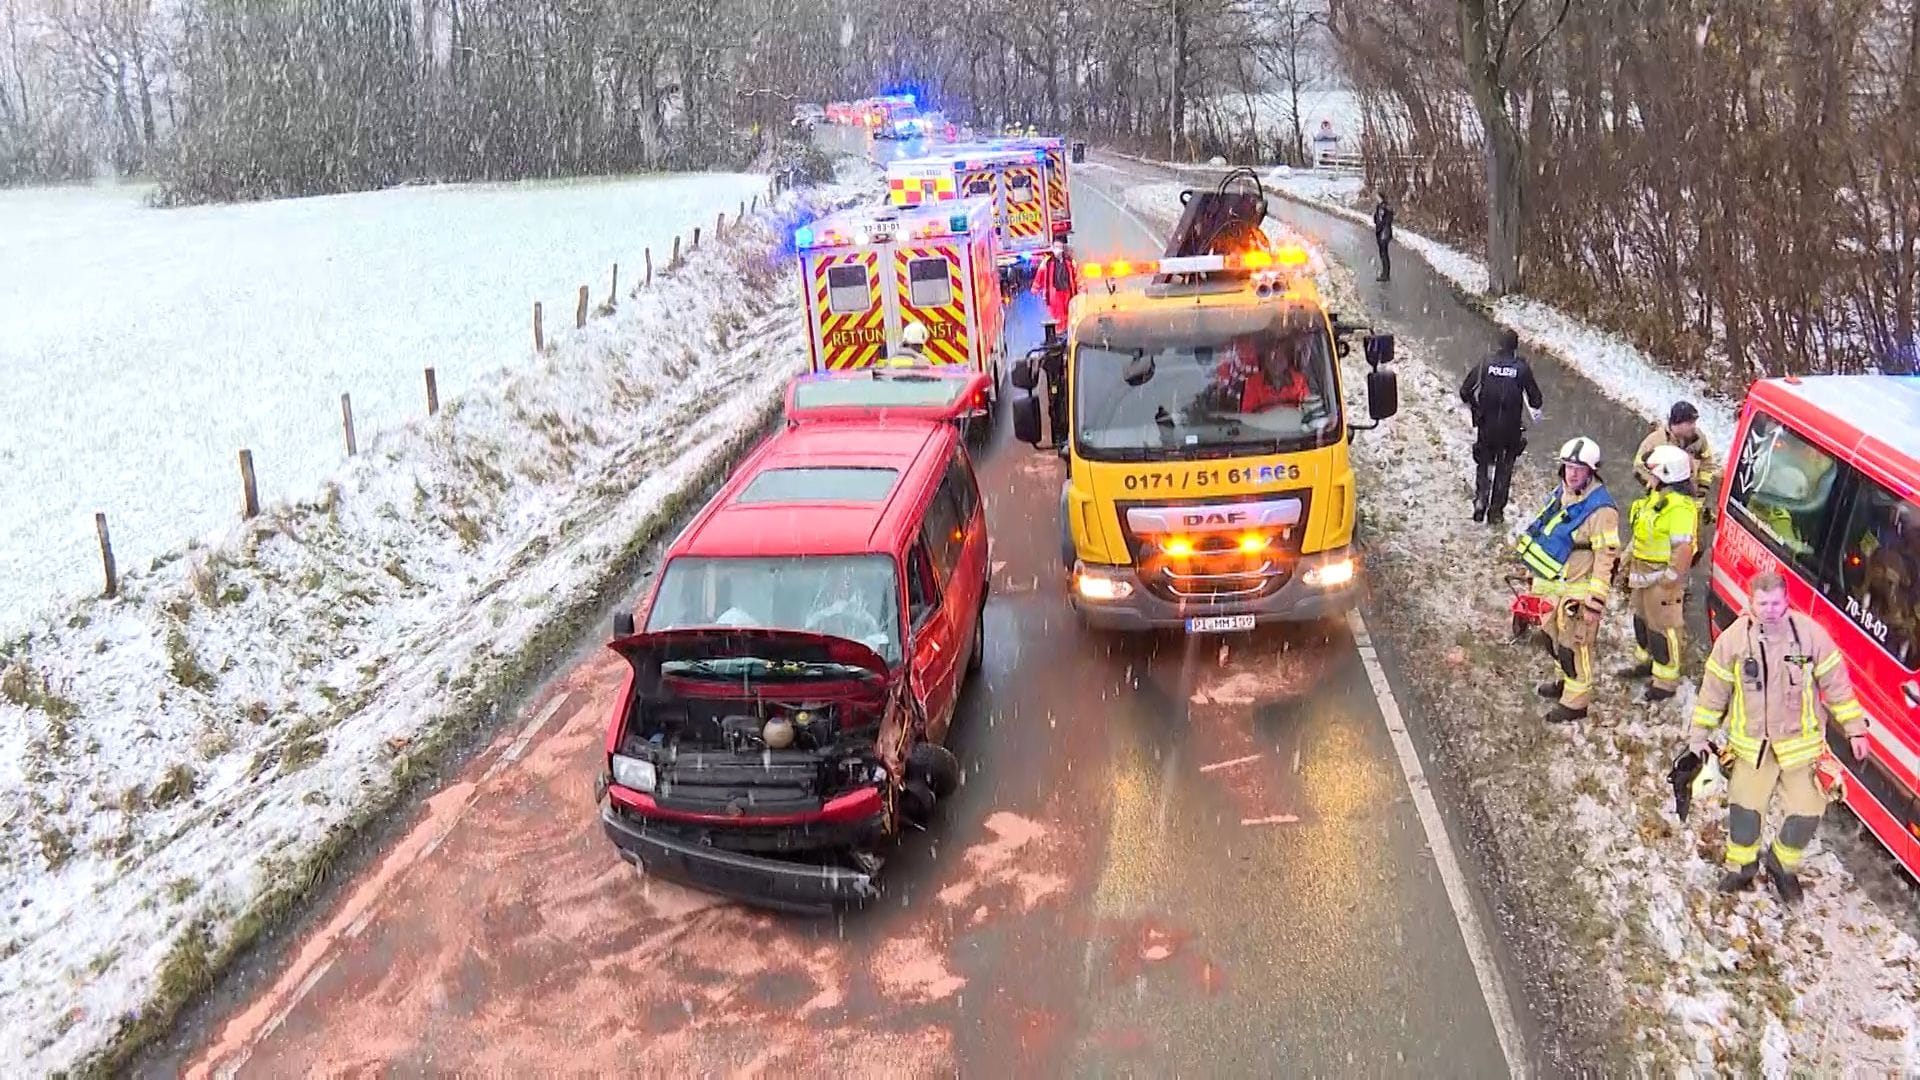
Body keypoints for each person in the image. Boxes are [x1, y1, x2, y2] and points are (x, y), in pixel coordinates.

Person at [1690, 572, 1870, 902]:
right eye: (1763, 603)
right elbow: (1714, 690)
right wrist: (1699, 734)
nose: (1770, 610)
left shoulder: (1810, 636)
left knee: (1808, 809)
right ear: (1751, 603)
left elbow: (1837, 686)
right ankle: (1741, 869)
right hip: (1752, 747)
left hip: (1801, 746)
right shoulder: (1733, 641)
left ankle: (1781, 866)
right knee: (1745, 810)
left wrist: (1855, 729)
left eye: (1776, 603)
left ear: (1786, 601)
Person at [1514, 436, 1621, 723]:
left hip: (1579, 590)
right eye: (1568, 467)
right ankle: (1563, 683)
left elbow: (1605, 558)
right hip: (1556, 586)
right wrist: (1532, 573)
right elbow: (1547, 535)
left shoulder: (1602, 510)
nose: (1572, 473)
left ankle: (1576, 703)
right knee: (1554, 640)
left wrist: (1594, 603)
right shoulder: (1563, 494)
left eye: (1579, 468)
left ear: (1592, 471)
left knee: (1575, 648)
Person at [1620, 444, 1700, 702]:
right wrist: (1627, 559)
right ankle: (1646, 663)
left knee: (1663, 629)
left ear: (1666, 474)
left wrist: (1670, 580)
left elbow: (1684, 548)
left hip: (1662, 581)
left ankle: (1665, 681)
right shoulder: (1657, 497)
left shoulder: (1679, 508)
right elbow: (1641, 532)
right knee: (1642, 623)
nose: (1648, 476)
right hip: (1644, 576)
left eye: (1653, 471)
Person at [1459, 328, 1544, 523]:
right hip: (1510, 430)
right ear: (1515, 347)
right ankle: (1496, 511)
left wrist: (1476, 408)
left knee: (1483, 463)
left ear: (1498, 344)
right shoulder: (1521, 369)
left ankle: (1481, 500)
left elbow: (1465, 391)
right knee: (1504, 469)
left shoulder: (1485, 364)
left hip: (1486, 426)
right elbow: (1536, 400)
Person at [1634, 401, 1721, 495]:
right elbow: (1638, 468)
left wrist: (1702, 490)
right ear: (1677, 422)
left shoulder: (1698, 438)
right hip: (1664, 500)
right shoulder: (1655, 441)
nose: (1694, 426)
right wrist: (1658, 487)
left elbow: (1707, 462)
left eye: (1694, 422)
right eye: (1690, 423)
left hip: (1692, 498)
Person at [1037, 239, 1077, 329]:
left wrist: (1081, 289)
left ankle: (1067, 331)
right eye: (1055, 247)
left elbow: (1077, 276)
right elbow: (1040, 274)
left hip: (1068, 291)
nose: (1056, 249)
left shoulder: (1070, 262)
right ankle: (1060, 331)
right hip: (1054, 293)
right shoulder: (1048, 262)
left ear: (1063, 249)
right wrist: (1035, 289)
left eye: (1058, 247)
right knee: (1058, 314)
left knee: (1069, 313)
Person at [1372, 195, 1395, 282]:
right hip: (1379, 232)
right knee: (1382, 254)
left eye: (1378, 197)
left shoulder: (1387, 208)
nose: (1376, 199)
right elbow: (1376, 219)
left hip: (1384, 233)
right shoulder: (1379, 207)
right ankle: (1384, 273)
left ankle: (1386, 275)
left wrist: (1381, 226)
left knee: (1384, 254)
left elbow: (1387, 221)